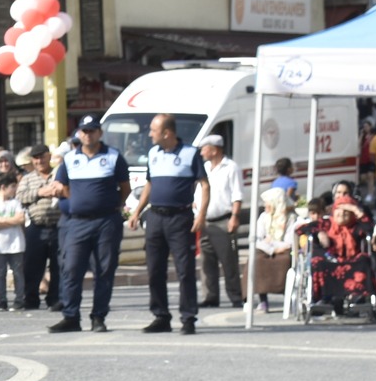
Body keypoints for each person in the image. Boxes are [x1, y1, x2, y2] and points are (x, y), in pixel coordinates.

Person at [48, 117, 132, 333]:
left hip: (106, 221)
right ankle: (71, 316)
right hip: (78, 223)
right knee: (71, 269)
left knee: (104, 270)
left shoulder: (113, 157)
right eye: (84, 131)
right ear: (79, 134)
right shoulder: (69, 159)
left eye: (92, 131)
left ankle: (98, 317)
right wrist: (79, 201)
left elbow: (125, 187)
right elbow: (61, 186)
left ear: (99, 133)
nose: (88, 135)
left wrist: (114, 204)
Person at [127, 113, 209, 335]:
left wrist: (201, 214)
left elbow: (204, 185)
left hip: (180, 218)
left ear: (167, 133)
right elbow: (149, 185)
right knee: (154, 270)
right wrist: (137, 211)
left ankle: (188, 317)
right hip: (155, 217)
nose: (150, 134)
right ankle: (161, 316)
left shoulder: (191, 154)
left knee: (185, 271)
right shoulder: (153, 153)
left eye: (154, 130)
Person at [197, 135, 244, 308]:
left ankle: (235, 295)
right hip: (206, 220)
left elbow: (237, 194)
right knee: (206, 262)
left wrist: (235, 216)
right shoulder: (205, 168)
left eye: (204, 148)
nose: (202, 152)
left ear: (214, 149)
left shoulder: (231, 167)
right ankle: (210, 296)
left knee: (228, 260)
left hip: (224, 220)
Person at [16, 144, 62, 311]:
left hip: (58, 226)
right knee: (32, 265)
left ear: (49, 156)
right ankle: (31, 298)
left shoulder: (59, 173)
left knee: (58, 265)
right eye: (35, 158)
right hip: (36, 226)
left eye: (42, 157)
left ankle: (55, 298)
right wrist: (40, 192)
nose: (39, 161)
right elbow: (20, 197)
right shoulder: (28, 178)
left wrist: (57, 190)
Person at [252, 183, 298, 313]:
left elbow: (289, 241)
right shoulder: (263, 217)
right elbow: (257, 239)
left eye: (268, 203)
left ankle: (287, 297)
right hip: (268, 249)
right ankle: (263, 300)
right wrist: (271, 248)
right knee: (257, 260)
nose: (266, 206)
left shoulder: (290, 218)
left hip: (283, 250)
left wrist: (272, 242)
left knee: (284, 262)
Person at [0, 172, 26, 312]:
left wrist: (2, 220)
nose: (15, 189)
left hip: (16, 244)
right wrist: (11, 221)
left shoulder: (16, 202)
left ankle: (19, 299)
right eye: (12, 186)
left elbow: (21, 219)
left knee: (18, 272)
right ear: (3, 187)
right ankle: (2, 300)